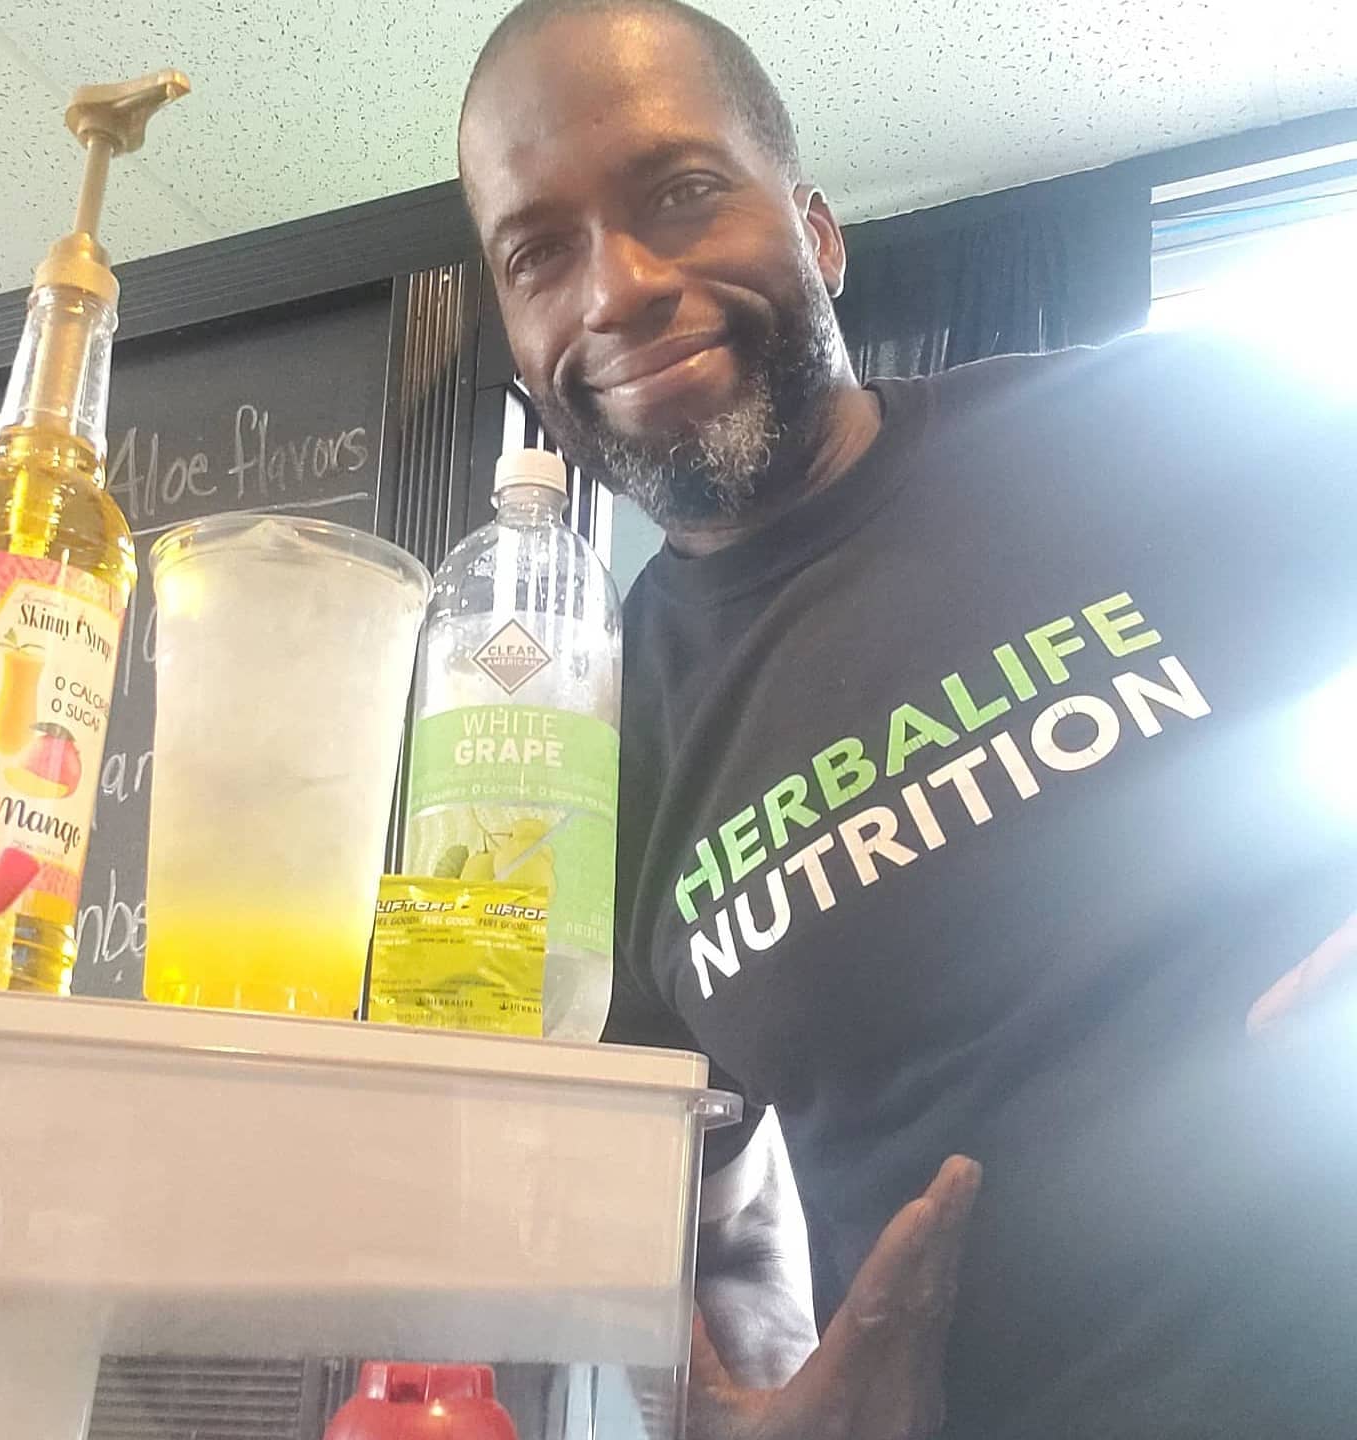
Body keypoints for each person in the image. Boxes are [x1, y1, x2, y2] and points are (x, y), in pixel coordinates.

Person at [456, 2, 1357, 1436]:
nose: (616, 289)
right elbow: (639, 1194)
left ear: (816, 232)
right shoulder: (594, 749)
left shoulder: (1155, 422)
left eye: (680, 193)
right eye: (539, 253)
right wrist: (733, 1413)